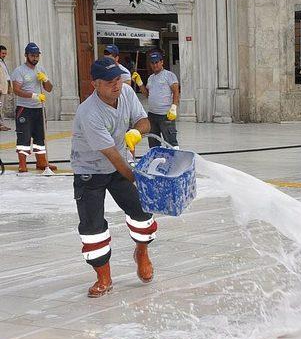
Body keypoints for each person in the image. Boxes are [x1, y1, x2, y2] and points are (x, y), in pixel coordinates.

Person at [71, 57, 157, 297]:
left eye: (118, 79)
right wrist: (138, 180)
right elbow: (112, 156)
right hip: (90, 171)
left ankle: (142, 252)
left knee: (142, 213)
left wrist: (135, 132)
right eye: (109, 82)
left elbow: (144, 122)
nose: (116, 85)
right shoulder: (89, 113)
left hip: (118, 164)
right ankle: (104, 276)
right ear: (95, 84)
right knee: (92, 227)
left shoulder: (127, 92)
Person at [10, 42, 55, 172]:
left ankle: (41, 162)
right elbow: (16, 90)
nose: (35, 58)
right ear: (26, 55)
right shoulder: (19, 71)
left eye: (36, 55)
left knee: (40, 136)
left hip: (39, 109)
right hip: (24, 108)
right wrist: (33, 96)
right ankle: (22, 164)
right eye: (32, 55)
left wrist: (45, 80)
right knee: (24, 135)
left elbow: (49, 89)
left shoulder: (41, 69)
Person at [131, 51, 180, 149]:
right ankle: (157, 161)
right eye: (152, 63)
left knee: (171, 142)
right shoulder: (150, 78)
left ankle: (174, 161)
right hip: (152, 115)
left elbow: (176, 91)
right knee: (153, 143)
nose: (155, 65)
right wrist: (139, 83)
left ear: (162, 62)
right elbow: (147, 95)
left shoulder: (169, 75)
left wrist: (174, 107)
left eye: (157, 62)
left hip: (166, 115)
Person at [0, 45, 11, 131]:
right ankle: (1, 125)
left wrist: (9, 86)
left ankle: (2, 124)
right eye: (3, 53)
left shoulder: (2, 62)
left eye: (5, 53)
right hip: (0, 88)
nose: (4, 55)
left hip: (5, 87)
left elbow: (6, 75)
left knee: (2, 107)